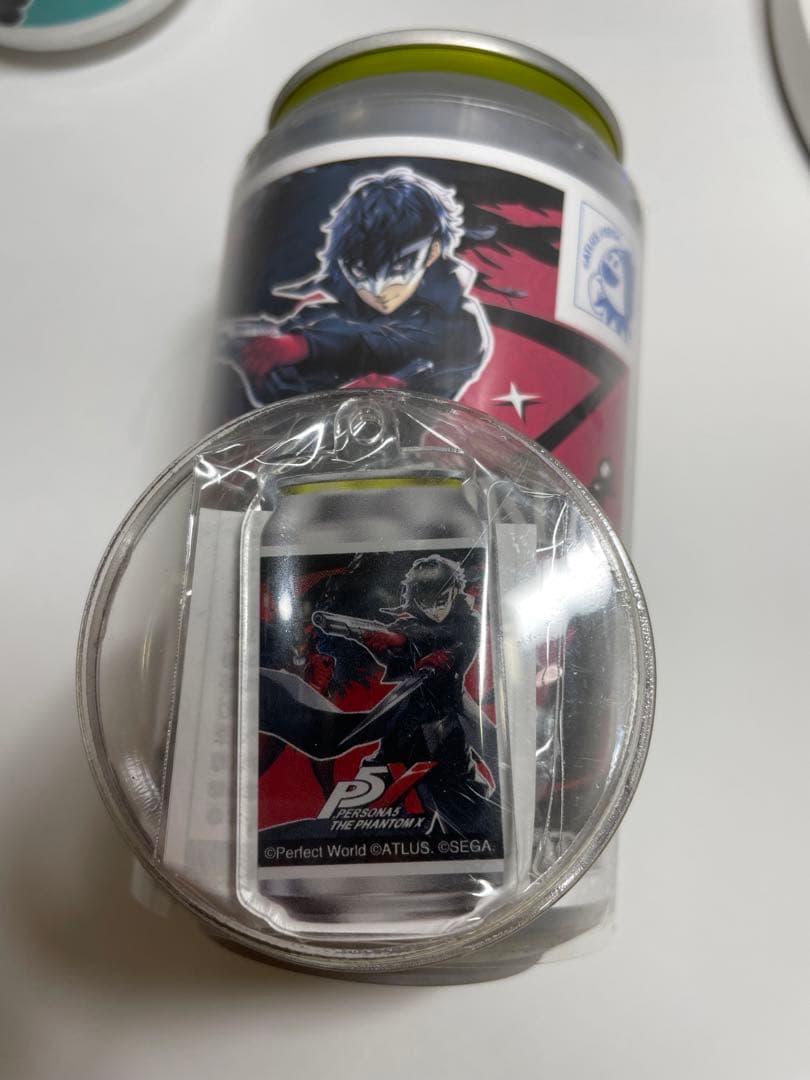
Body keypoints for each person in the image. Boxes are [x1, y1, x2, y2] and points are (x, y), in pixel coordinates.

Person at [259, 554, 499, 836]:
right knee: (367, 808)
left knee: (468, 815)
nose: (434, 608)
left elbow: (453, 643)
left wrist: (412, 644)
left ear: (453, 592)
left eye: (440, 599)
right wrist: (377, 644)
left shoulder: (467, 622)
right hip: (402, 728)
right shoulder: (407, 624)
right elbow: (402, 657)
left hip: (440, 732)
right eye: (426, 599)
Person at [225, 168, 491, 405]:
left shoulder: (458, 323)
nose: (378, 289)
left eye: (399, 267)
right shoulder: (327, 312)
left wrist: (304, 345)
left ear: (432, 252)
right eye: (361, 271)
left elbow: (389, 342)